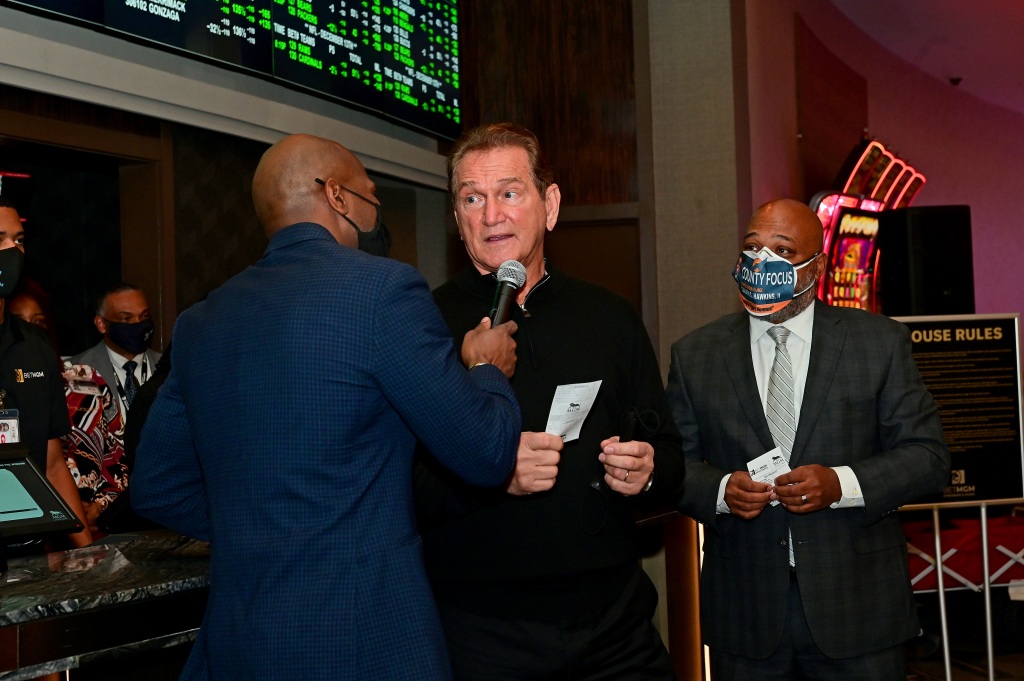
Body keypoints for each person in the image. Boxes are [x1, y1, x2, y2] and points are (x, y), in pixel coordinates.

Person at [130, 133, 523, 681]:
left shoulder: (201, 322)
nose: (377, 211)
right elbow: (486, 452)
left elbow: (157, 486)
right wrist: (486, 370)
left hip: (241, 640)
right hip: (364, 641)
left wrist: (271, 530)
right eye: (371, 195)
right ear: (337, 197)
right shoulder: (383, 292)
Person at [414, 122, 684, 681]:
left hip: (615, 625)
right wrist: (490, 471)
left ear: (549, 204)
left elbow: (672, 455)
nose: (492, 215)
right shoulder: (419, 326)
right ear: (457, 217)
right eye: (472, 198)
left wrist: (648, 470)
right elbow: (396, 485)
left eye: (510, 192)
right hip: (481, 631)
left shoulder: (610, 317)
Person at [665, 198, 951, 680]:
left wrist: (842, 484)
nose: (762, 261)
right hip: (746, 614)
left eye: (782, 248)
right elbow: (676, 465)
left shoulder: (878, 343)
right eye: (752, 247)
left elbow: (928, 458)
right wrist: (719, 491)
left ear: (816, 265)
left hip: (858, 610)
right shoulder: (696, 355)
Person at [0, 197, 92, 548]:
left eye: (19, 240)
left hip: (31, 547)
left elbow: (53, 464)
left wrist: (89, 556)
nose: (12, 250)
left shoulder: (36, 347)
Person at [10, 284, 127, 536]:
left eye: (38, 321)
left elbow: (118, 459)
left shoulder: (87, 381)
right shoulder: (9, 391)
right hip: (32, 532)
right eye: (21, 323)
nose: (31, 329)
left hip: (98, 528)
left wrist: (98, 507)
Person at [70, 282, 161, 423]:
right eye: (126, 318)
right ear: (101, 324)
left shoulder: (171, 367)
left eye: (144, 316)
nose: (138, 324)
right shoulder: (78, 371)